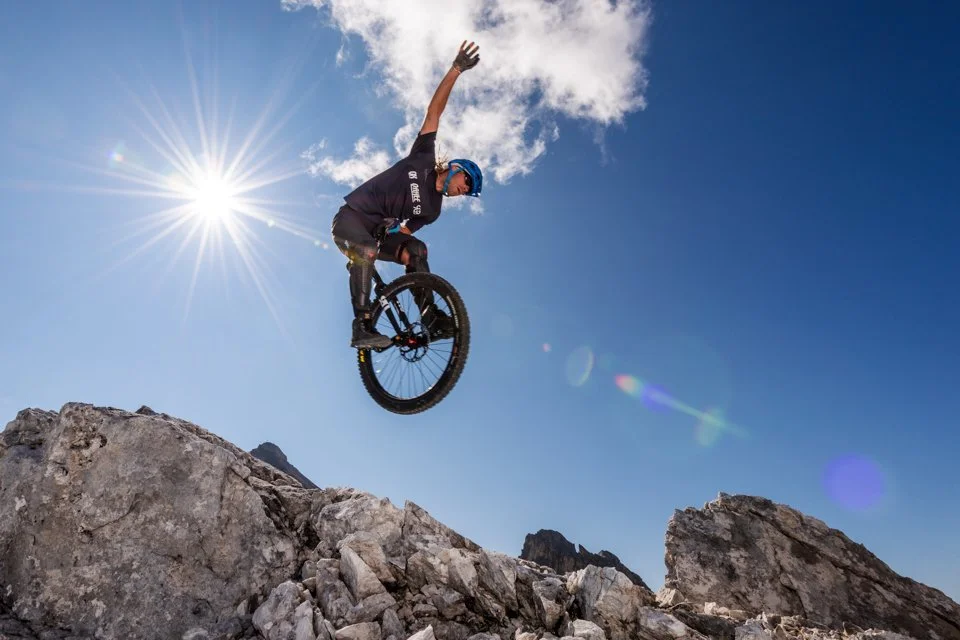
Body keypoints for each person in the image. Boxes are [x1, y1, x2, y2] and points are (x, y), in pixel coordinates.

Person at [331, 41, 484, 349]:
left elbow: (403, 233)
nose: (464, 191)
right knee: (365, 248)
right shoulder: (424, 157)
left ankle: (430, 316)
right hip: (351, 219)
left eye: (468, 192)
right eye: (466, 182)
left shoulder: (433, 210)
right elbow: (435, 111)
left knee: (416, 248)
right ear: (455, 169)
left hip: (376, 236)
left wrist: (399, 242)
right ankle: (361, 327)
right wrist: (456, 69)